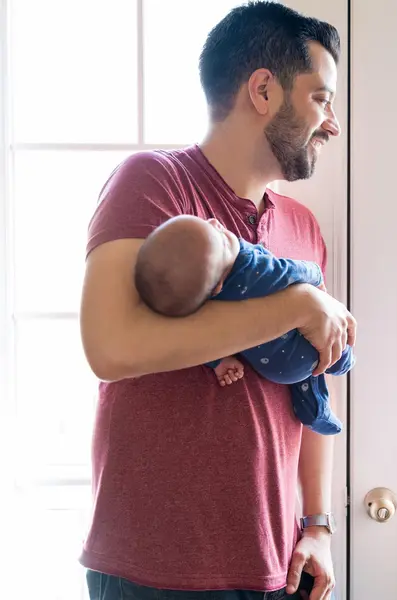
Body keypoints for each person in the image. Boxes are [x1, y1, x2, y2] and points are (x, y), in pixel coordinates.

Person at [79, 3, 351, 599]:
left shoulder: (303, 227)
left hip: (277, 563)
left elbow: (314, 382)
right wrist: (295, 307)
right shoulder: (154, 182)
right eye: (321, 99)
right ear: (263, 90)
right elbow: (111, 347)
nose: (332, 124)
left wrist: (318, 525)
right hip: (153, 571)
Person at [134, 214, 355, 435]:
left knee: (308, 374)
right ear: (218, 285)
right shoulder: (250, 266)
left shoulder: (202, 304)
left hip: (276, 368)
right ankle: (344, 363)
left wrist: (219, 363)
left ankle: (314, 411)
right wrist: (316, 276)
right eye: (221, 239)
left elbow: (201, 339)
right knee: (335, 351)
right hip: (300, 348)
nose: (214, 222)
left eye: (207, 224)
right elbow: (290, 271)